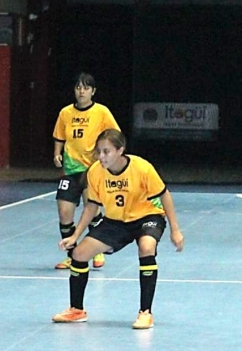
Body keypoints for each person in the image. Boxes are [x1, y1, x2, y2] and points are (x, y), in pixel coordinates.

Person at [52, 129, 184, 329]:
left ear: (120, 150)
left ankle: (145, 313)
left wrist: (175, 230)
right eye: (98, 152)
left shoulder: (142, 167)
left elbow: (164, 195)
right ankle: (76, 310)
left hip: (147, 217)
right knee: (79, 253)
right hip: (115, 222)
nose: (101, 157)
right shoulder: (95, 171)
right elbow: (91, 206)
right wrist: (75, 236)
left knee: (147, 247)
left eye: (106, 152)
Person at [52, 72, 120, 271]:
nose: (81, 92)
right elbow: (59, 136)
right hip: (71, 169)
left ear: (93, 91)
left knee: (92, 210)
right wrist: (57, 154)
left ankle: (95, 249)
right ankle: (71, 254)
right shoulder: (65, 113)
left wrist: (107, 156)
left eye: (86, 88)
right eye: (78, 87)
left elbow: (114, 135)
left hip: (92, 170)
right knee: (65, 211)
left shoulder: (101, 112)